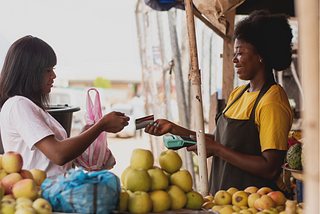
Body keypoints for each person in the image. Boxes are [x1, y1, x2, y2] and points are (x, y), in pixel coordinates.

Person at [145, 10, 293, 195]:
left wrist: (217, 150)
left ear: (261, 54)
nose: (234, 59)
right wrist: (174, 129)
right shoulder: (238, 94)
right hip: (224, 201)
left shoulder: (272, 102)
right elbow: (219, 140)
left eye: (240, 53)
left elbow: (271, 168)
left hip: (255, 205)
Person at [0, 35, 130, 179]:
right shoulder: (19, 105)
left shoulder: (30, 105)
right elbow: (58, 154)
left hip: (52, 190)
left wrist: (88, 132)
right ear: (29, 72)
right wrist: (100, 126)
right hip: (38, 193)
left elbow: (56, 152)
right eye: (48, 70)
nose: (54, 75)